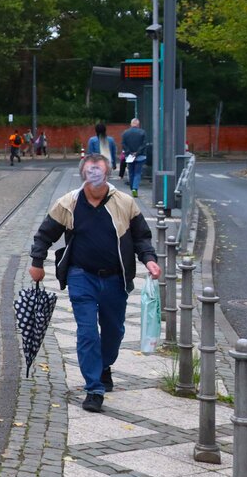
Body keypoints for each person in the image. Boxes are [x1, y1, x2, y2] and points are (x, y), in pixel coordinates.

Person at [29, 153, 160, 413]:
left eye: (99, 174)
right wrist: (37, 262)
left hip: (115, 278)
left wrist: (149, 259)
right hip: (81, 276)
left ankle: (104, 366)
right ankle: (94, 388)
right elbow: (45, 234)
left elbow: (141, 237)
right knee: (87, 332)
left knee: (114, 332)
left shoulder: (124, 203)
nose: (95, 180)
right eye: (90, 174)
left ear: (108, 175)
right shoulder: (69, 204)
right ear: (83, 176)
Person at [120, 118, 148, 197]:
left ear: (131, 124)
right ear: (138, 125)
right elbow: (144, 144)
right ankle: (135, 188)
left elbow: (123, 144)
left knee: (131, 172)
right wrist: (137, 153)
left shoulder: (125, 133)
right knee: (137, 173)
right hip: (140, 156)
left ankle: (132, 187)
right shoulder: (142, 132)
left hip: (129, 156)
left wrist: (129, 152)